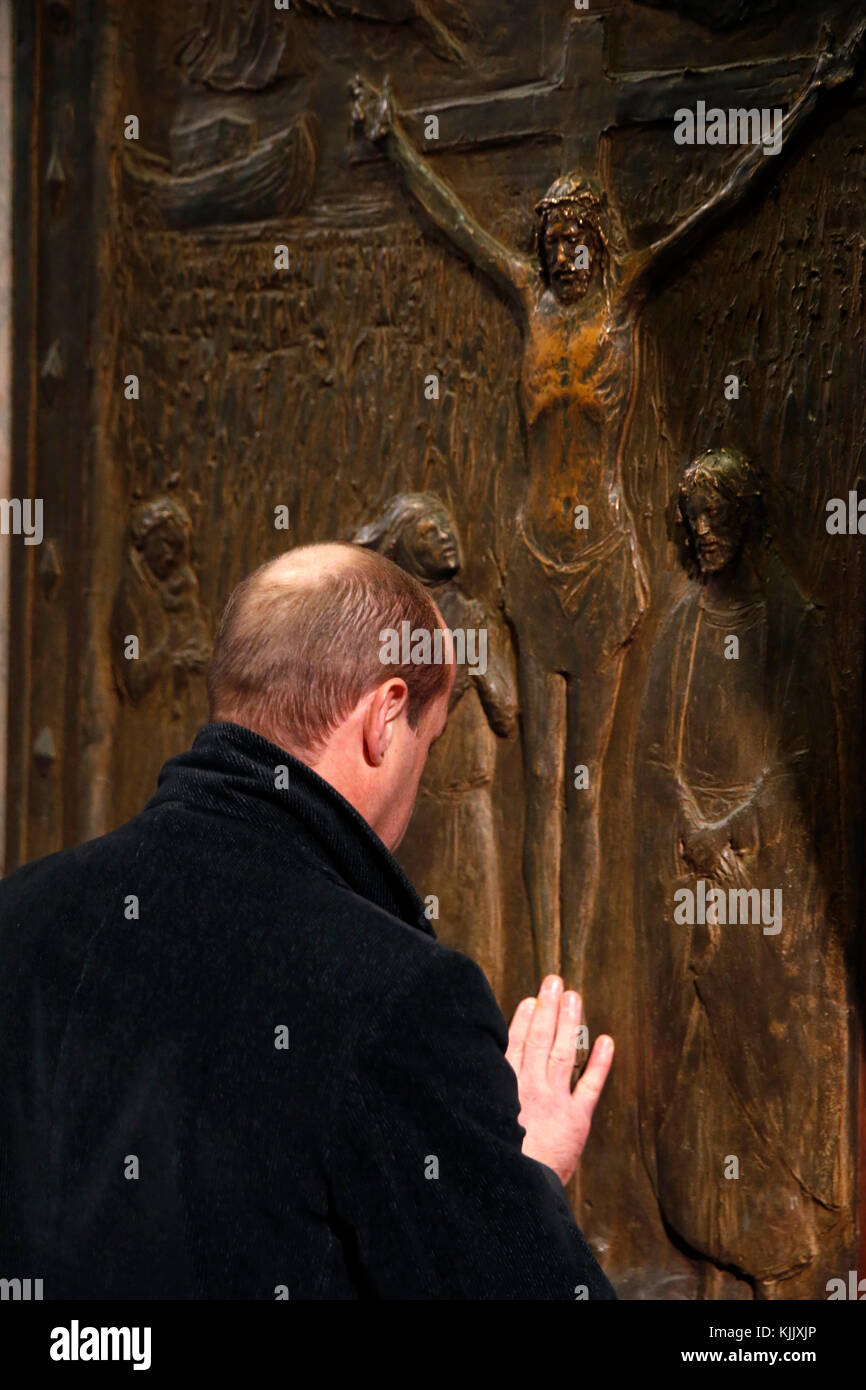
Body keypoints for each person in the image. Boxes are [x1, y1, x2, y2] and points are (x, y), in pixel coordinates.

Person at [0, 542, 615, 1300]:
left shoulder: (16, 916)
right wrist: (518, 1185)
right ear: (385, 717)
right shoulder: (401, 997)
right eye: (428, 744)